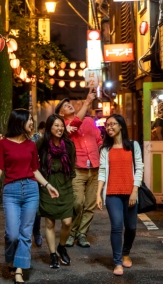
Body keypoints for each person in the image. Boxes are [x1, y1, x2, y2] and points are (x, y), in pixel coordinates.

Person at [0, 109, 59, 284]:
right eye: (29, 120)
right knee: (12, 234)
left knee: (26, 233)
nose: (32, 123)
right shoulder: (3, 144)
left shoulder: (31, 145)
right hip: (11, 191)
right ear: (19, 122)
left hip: (31, 190)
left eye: (32, 120)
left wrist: (48, 186)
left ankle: (19, 269)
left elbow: (35, 171)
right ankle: (11, 258)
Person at [96, 114, 144, 276]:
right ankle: (117, 262)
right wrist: (98, 194)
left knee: (131, 227)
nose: (109, 128)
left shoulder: (133, 145)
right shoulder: (105, 149)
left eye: (112, 124)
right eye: (107, 125)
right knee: (117, 226)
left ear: (121, 125)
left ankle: (126, 253)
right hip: (112, 194)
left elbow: (139, 168)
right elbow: (102, 172)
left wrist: (134, 191)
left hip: (130, 192)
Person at [56, 88, 102, 247]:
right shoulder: (63, 127)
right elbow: (76, 122)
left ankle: (82, 234)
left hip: (94, 168)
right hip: (77, 168)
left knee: (89, 204)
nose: (68, 105)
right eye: (64, 105)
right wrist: (88, 101)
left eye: (69, 103)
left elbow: (99, 140)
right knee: (77, 202)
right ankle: (72, 232)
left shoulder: (89, 121)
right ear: (60, 114)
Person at [36, 114, 76, 268]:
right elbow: (32, 161)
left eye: (61, 126)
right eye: (56, 126)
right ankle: (53, 254)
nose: (60, 129)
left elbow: (72, 166)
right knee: (49, 223)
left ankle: (61, 247)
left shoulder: (69, 144)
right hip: (48, 183)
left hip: (65, 184)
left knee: (67, 222)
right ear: (49, 128)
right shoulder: (42, 144)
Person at [30, 121, 46, 247]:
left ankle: (36, 232)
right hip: (22, 176)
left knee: (36, 206)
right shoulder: (35, 138)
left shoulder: (37, 138)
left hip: (38, 173)